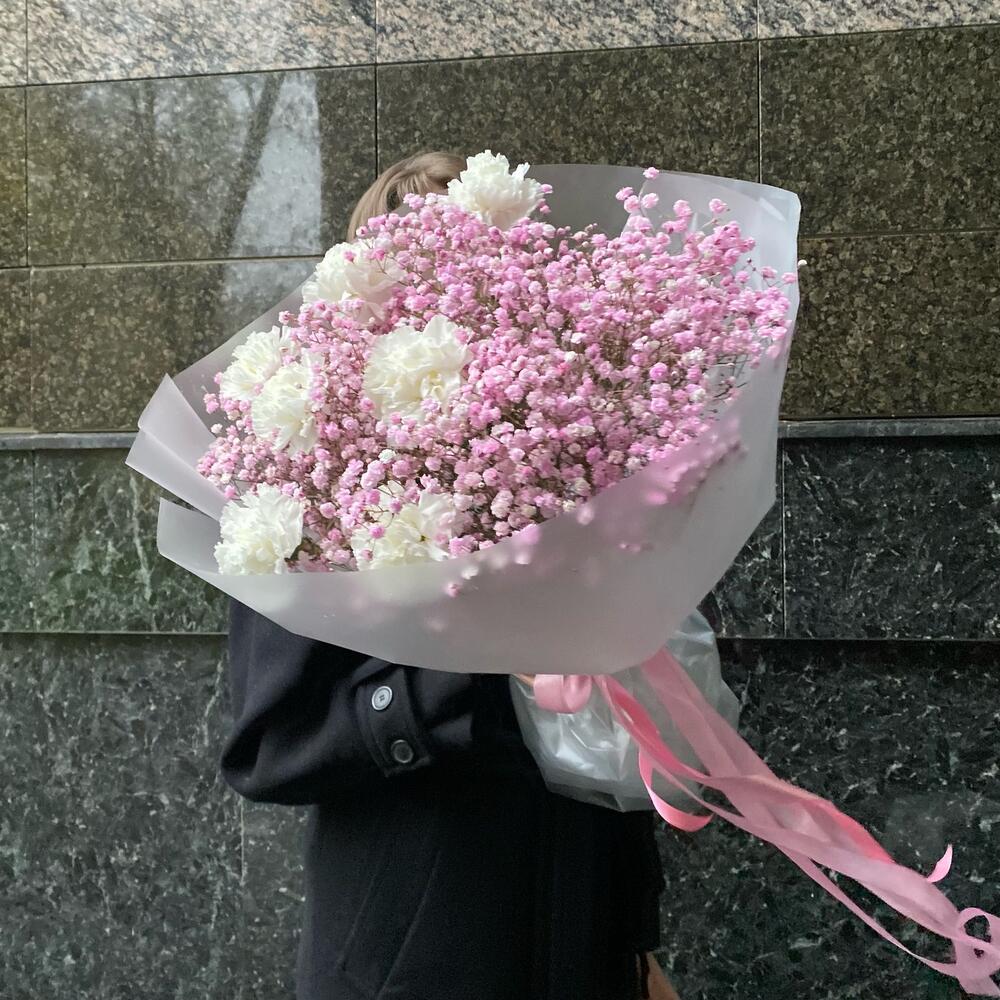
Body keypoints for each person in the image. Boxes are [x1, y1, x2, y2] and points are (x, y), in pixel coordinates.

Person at [220, 152, 679, 1000]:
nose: (452, 275)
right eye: (418, 253)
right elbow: (270, 748)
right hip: (415, 959)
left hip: (578, 940)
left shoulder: (573, 442)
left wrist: (634, 943)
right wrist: (469, 678)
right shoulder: (305, 485)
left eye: (476, 245)